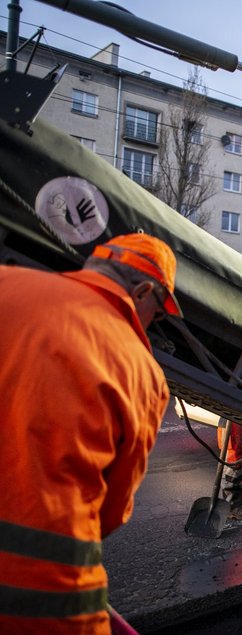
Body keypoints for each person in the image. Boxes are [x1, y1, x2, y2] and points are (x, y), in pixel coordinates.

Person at [0, 233, 181, 634]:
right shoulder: (139, 368)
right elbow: (112, 509)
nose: (155, 323)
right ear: (143, 291)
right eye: (159, 313)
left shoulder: (5, 283)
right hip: (44, 601)